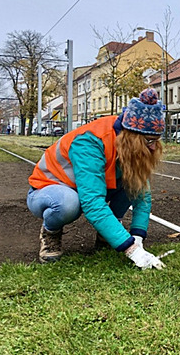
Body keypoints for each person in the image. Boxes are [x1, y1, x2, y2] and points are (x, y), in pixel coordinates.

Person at [27, 88, 167, 269]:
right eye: (149, 141)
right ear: (133, 137)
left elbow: (142, 195)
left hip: (84, 188)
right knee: (69, 204)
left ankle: (106, 235)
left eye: (157, 140)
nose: (154, 147)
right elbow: (92, 202)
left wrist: (138, 238)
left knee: (133, 182)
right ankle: (50, 232)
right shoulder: (90, 142)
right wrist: (132, 250)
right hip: (49, 190)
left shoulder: (129, 140)